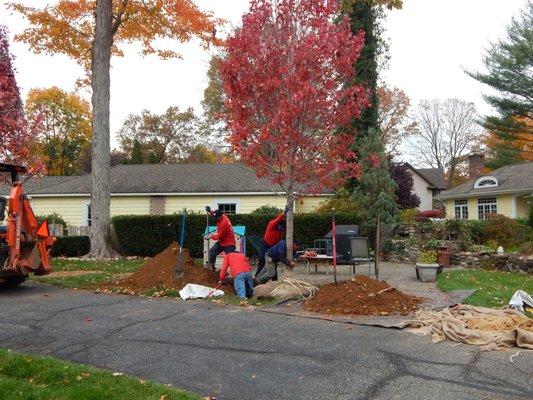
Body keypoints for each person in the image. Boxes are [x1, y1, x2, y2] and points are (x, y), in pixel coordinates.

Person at [256, 207, 288, 276]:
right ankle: (258, 275)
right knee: (262, 259)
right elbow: (277, 219)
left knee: (274, 261)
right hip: (265, 243)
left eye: (282, 227)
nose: (281, 229)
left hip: (273, 246)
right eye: (280, 226)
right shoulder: (272, 224)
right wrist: (284, 213)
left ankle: (274, 278)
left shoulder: (282, 229)